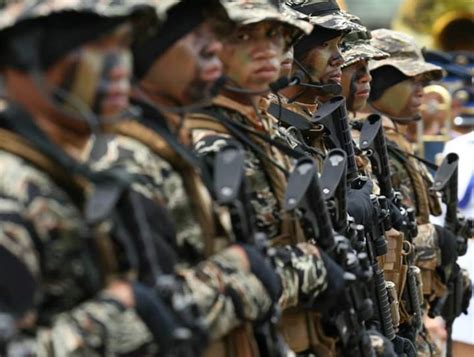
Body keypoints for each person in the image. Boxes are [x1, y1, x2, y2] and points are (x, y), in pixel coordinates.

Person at [87, 1, 290, 355]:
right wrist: (250, 275)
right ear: (148, 50)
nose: (215, 47)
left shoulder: (171, 142)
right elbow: (153, 318)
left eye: (216, 35)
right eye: (195, 35)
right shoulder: (126, 159)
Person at [184, 1, 349, 354]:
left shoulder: (269, 131)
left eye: (277, 34)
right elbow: (219, 279)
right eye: (243, 35)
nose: (268, 49)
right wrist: (313, 267)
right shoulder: (204, 142)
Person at [0, 1, 163, 355]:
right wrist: (120, 311)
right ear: (26, 63)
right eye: (97, 46)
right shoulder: (10, 190)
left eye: (123, 45)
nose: (120, 65)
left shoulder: (74, 166)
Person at [367, 28, 472, 357]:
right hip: (392, 309)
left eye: (424, 83)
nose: (422, 92)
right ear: (378, 81)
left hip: (415, 305)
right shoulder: (368, 145)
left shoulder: (396, 143)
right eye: (411, 80)